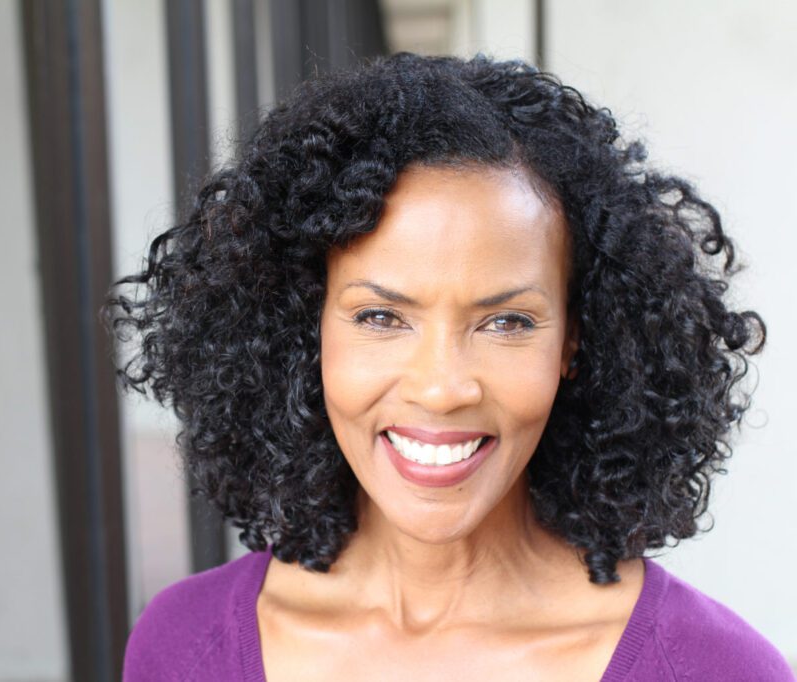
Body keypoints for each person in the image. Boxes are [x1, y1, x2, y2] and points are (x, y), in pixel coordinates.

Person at [105, 53, 793, 681]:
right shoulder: (183, 647)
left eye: (506, 322)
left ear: (575, 344)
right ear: (300, 328)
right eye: (380, 317)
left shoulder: (712, 668)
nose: (441, 388)